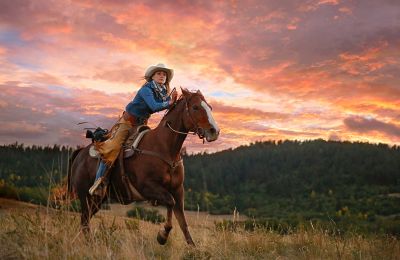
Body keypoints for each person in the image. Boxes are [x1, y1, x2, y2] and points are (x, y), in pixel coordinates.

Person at [89, 63, 178, 195]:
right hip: (127, 122)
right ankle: (98, 182)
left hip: (142, 123)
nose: (162, 76)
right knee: (113, 148)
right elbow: (154, 106)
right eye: (159, 73)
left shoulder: (163, 91)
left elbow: (164, 104)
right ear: (152, 76)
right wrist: (170, 102)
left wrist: (173, 102)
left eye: (164, 74)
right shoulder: (146, 90)